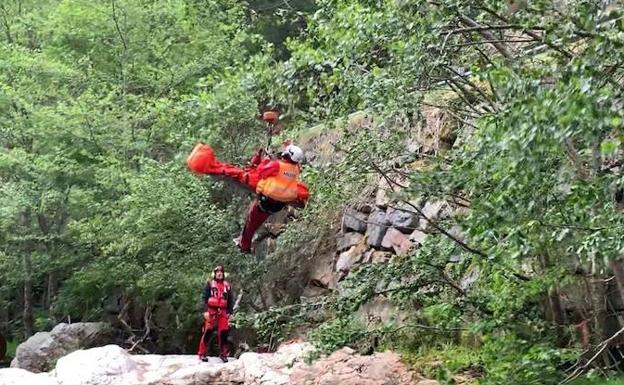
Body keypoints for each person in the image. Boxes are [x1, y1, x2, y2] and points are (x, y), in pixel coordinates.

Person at [235, 143, 305, 253]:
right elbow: (283, 174)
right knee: (255, 223)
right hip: (277, 205)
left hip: (265, 202)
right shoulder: (296, 169)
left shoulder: (277, 165)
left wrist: (266, 160)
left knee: (250, 223)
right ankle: (245, 243)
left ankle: (244, 245)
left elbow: (261, 171)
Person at [197, 265, 234, 363]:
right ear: (214, 274)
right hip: (211, 311)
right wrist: (205, 311)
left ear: (223, 273)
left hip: (223, 311)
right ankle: (202, 353)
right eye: (217, 272)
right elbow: (204, 298)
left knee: (224, 333)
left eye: (221, 272)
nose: (219, 273)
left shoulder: (227, 285)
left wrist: (230, 313)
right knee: (208, 332)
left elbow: (230, 300)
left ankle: (223, 354)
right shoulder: (209, 284)